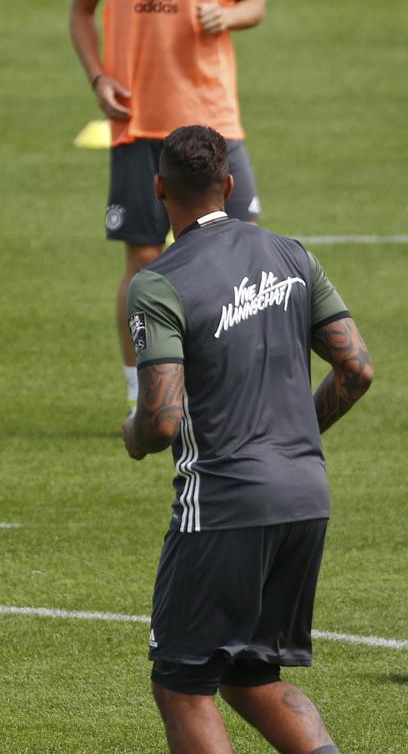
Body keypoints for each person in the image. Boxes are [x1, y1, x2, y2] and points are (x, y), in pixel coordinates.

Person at [122, 126, 372, 753]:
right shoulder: (293, 255)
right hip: (305, 495)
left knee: (182, 686)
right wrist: (292, 436)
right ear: (230, 186)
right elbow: (357, 368)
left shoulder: (159, 282)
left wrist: (132, 433)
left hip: (226, 504)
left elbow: (162, 420)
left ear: (159, 190)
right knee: (250, 674)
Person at [69, 0, 266, 418]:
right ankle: (142, 394)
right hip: (138, 125)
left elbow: (255, 3)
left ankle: (234, 386)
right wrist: (98, 78)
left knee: (240, 253)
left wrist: (228, 14)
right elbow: (80, 10)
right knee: (143, 262)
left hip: (213, 123)